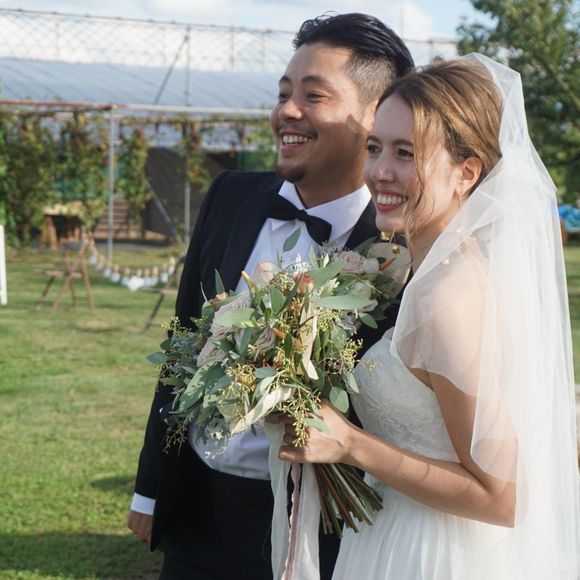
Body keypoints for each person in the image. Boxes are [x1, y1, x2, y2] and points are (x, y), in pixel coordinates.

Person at [127, 13, 414, 580]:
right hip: (200, 509)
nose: (287, 111)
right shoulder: (230, 196)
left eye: (313, 95)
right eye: (284, 93)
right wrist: (149, 489)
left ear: (375, 117)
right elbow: (181, 343)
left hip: (327, 525)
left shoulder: (399, 246)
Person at [278, 55, 580, 579]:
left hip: (434, 552)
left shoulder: (447, 300)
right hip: (399, 530)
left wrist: (350, 444)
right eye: (375, 147)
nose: (380, 171)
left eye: (407, 153)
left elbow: (502, 496)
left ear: (467, 173)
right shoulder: (433, 271)